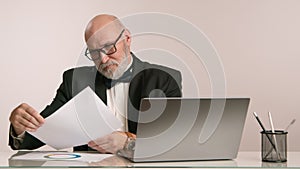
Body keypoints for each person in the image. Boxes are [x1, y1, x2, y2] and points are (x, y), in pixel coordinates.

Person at [8, 14, 182, 154]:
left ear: (127, 39)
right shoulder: (74, 80)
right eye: (94, 52)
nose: (104, 59)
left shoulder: (164, 78)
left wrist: (128, 142)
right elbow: (42, 133)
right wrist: (20, 127)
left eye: (109, 47)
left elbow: (172, 143)